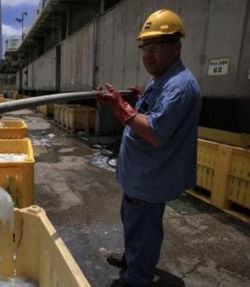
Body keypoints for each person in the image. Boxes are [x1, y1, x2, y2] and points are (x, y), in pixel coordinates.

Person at [97, 9, 202, 287]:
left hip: (151, 177)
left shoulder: (178, 87)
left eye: (156, 48)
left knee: (144, 229)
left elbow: (155, 132)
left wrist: (120, 106)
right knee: (133, 221)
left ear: (176, 48)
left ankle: (138, 278)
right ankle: (133, 259)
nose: (147, 55)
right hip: (140, 176)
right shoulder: (162, 80)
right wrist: (141, 98)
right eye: (145, 48)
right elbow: (157, 112)